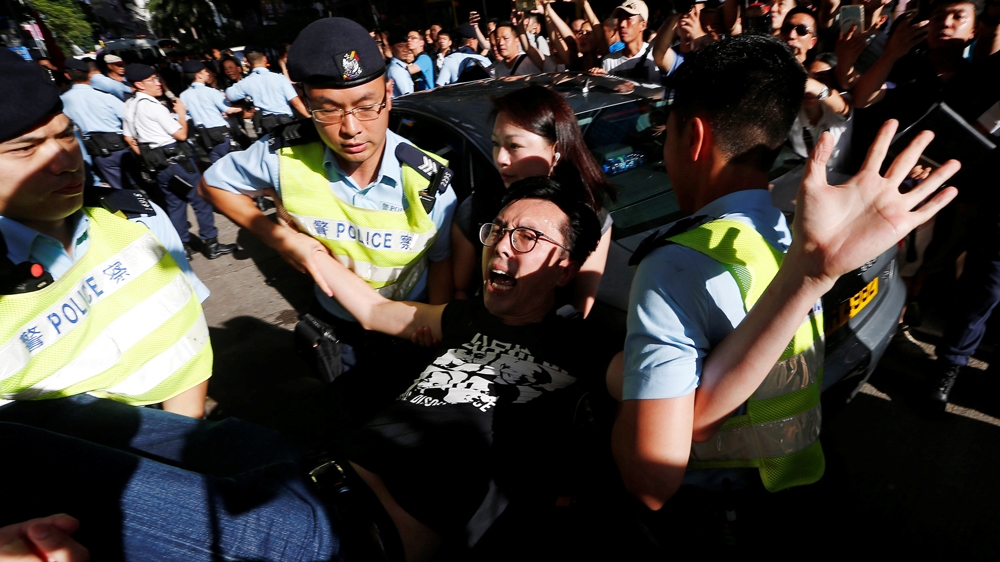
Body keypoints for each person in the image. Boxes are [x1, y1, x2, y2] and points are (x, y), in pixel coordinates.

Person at [607, 33, 959, 509]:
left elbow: (650, 480)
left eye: (664, 134)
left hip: (710, 510)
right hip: (798, 484)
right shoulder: (784, 232)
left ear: (692, 136)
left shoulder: (675, 265)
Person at [200, 18, 458, 387]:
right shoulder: (282, 156)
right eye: (328, 109)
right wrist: (283, 239)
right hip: (335, 326)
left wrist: (434, 331)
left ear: (389, 93)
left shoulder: (427, 178)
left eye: (367, 105)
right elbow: (212, 185)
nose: (351, 128)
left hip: (410, 324)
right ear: (305, 104)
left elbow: (441, 259)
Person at [0, 49, 215, 419]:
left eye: (67, 135)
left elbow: (186, 331)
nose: (67, 163)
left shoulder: (136, 216)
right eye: (26, 149)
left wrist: (182, 434)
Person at [451, 85, 616, 318]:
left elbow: (580, 306)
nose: (500, 158)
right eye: (496, 143)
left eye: (514, 146)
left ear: (555, 151)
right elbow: (460, 291)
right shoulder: (476, 207)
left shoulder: (592, 217)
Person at [122, 63, 238, 260]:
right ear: (139, 84)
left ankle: (183, 247)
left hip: (158, 164)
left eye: (157, 78)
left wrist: (147, 157)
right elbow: (182, 134)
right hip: (177, 160)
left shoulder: (129, 106)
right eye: (152, 80)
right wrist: (182, 114)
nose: (158, 83)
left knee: (174, 204)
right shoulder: (152, 106)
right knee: (200, 199)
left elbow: (128, 138)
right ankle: (211, 243)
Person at [781, 6, 854, 172]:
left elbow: (843, 107)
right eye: (787, 29)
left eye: (801, 30)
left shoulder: (837, 110)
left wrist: (814, 86)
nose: (792, 35)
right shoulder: (791, 100)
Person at [60, 58, 132, 190]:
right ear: (89, 74)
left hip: (99, 153)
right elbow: (129, 116)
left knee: (121, 189)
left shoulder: (63, 101)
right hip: (123, 146)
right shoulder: (104, 95)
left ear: (67, 75)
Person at [224, 46, 307, 136]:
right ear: (264, 58)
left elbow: (229, 95)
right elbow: (296, 103)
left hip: (267, 125)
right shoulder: (280, 78)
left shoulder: (246, 82)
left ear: (247, 62)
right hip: (286, 122)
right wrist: (309, 117)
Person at [179, 60, 243, 164]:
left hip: (203, 137)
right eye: (205, 71)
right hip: (221, 134)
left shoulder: (183, 96)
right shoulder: (211, 92)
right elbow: (228, 109)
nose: (208, 73)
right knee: (236, 163)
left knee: (218, 166)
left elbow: (185, 116)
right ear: (199, 75)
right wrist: (243, 108)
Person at [598, 0, 675, 83]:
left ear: (643, 25)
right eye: (620, 19)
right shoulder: (609, 62)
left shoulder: (656, 56)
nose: (622, 24)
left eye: (628, 19)